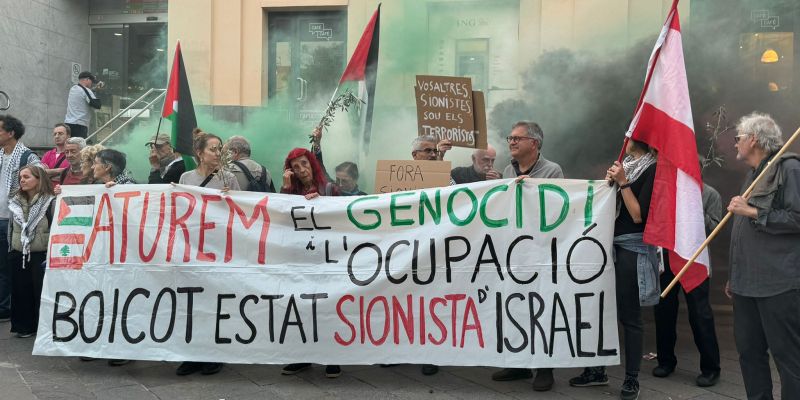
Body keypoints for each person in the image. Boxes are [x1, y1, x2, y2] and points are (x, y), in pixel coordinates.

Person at [568, 139, 658, 400]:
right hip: (607, 245)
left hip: (631, 248)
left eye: (631, 134)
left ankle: (632, 379)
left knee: (630, 316)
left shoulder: (652, 169)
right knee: (600, 311)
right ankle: (597, 371)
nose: (625, 139)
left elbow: (638, 215)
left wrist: (623, 183)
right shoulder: (626, 165)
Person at [726, 112, 800, 400]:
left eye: (738, 138)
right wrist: (734, 275)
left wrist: (752, 211)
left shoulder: (789, 168)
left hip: (778, 283)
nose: (735, 144)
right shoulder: (753, 173)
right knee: (749, 353)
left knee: (788, 357)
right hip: (746, 283)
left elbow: (797, 218)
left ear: (753, 139)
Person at [491, 121, 563, 392]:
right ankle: (519, 364)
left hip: (541, 251)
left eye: (517, 138)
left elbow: (557, 207)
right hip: (514, 251)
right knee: (516, 306)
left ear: (534, 143)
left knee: (541, 308)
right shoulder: (508, 170)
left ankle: (544, 369)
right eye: (510, 138)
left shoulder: (552, 170)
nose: (511, 142)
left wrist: (530, 189)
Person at [174, 132, 235, 376]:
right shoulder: (186, 178)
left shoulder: (228, 178)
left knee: (214, 301)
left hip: (218, 248)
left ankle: (214, 353)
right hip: (192, 248)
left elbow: (241, 212)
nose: (218, 153)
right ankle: (193, 354)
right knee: (192, 301)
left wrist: (232, 197)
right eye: (213, 149)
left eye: (220, 149)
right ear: (199, 153)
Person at [652, 179, 722, 387]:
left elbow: (715, 228)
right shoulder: (666, 191)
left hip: (695, 260)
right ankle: (665, 361)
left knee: (700, 314)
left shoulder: (710, 194)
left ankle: (711, 368)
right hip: (668, 256)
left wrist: (693, 206)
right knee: (663, 311)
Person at [280, 147, 341, 378]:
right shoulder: (291, 192)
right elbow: (280, 218)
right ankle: (303, 356)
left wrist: (322, 203)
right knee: (302, 308)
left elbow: (343, 218)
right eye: (296, 167)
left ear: (312, 164)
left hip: (327, 259)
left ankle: (332, 359)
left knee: (328, 308)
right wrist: (286, 189)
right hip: (300, 260)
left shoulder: (330, 189)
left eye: (304, 164)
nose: (302, 170)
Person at [0, 115, 41, 323]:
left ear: (11, 133)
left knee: (8, 266)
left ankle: (5, 307)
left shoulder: (27, 156)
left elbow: (40, 176)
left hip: (13, 219)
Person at [7, 165, 55, 338]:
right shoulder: (15, 202)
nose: (22, 180)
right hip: (19, 252)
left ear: (39, 179)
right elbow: (11, 227)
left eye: (27, 177)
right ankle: (24, 327)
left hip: (40, 253)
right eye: (21, 177)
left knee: (41, 291)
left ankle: (44, 328)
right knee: (20, 291)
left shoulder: (50, 201)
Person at [65, 72, 101, 138]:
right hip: (79, 126)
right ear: (87, 79)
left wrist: (94, 90)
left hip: (68, 124)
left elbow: (83, 95)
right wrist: (100, 92)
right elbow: (97, 105)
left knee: (69, 144)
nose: (92, 83)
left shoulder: (73, 88)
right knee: (79, 144)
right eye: (91, 81)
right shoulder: (86, 90)